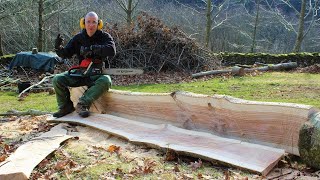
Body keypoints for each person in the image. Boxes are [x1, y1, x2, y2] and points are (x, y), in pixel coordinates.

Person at [52, 11, 116, 118]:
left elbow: (112, 50)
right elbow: (66, 53)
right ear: (83, 23)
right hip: (81, 73)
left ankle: (83, 104)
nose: (91, 25)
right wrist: (58, 48)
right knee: (57, 79)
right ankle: (65, 107)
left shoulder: (104, 37)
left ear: (99, 24)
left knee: (106, 80)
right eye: (88, 22)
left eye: (94, 22)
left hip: (97, 74)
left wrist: (93, 49)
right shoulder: (78, 38)